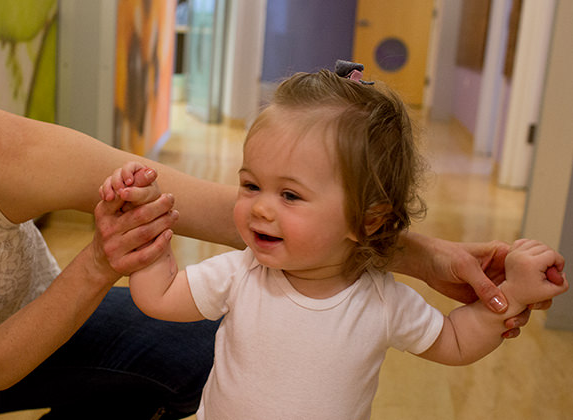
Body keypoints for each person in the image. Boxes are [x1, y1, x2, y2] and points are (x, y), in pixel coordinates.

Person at [0, 1, 549, 418]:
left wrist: (436, 258)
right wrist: (111, 256)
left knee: (214, 355)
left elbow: (214, 209)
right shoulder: (241, 277)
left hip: (52, 331)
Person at [99, 69, 569, 419]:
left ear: (367, 221)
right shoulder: (242, 273)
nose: (261, 208)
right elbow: (159, 297)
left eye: (289, 195)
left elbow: (455, 341)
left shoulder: (381, 301)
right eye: (250, 185)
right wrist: (144, 222)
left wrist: (514, 296)